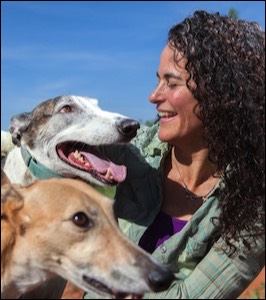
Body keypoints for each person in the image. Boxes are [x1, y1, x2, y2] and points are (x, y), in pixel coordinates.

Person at [84, 10, 265, 299]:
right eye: (158, 80)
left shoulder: (252, 202)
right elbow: (50, 157)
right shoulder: (137, 150)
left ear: (219, 95)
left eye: (172, 83)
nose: (154, 96)